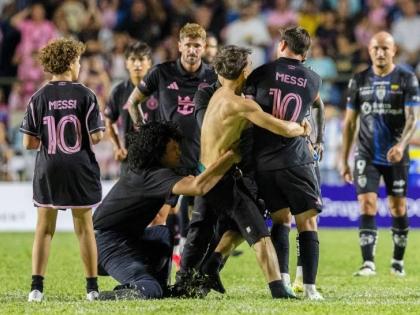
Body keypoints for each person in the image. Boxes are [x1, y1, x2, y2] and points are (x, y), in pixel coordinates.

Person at [177, 45, 311, 299]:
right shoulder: (240, 105)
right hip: (223, 179)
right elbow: (281, 128)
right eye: (249, 65)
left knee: (202, 232)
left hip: (206, 173)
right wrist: (302, 128)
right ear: (244, 71)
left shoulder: (216, 95)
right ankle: (278, 291)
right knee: (261, 236)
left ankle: (194, 280)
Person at [93, 121, 240, 300]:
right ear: (159, 152)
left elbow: (192, 181)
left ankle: (160, 287)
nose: (179, 152)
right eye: (174, 149)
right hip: (106, 243)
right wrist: (231, 155)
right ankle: (108, 296)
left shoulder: (151, 172)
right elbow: (198, 187)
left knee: (161, 233)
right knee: (149, 288)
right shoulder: (154, 176)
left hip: (124, 239)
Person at [19, 38, 105, 302]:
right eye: (78, 61)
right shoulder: (86, 94)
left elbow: (28, 142)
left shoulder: (39, 96)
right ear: (70, 63)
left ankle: (36, 288)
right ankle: (92, 288)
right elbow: (97, 137)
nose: (79, 65)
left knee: (44, 228)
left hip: (49, 168)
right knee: (84, 227)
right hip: (79, 167)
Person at [126, 22, 218, 264]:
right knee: (159, 215)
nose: (192, 50)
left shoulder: (213, 76)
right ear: (179, 46)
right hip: (168, 158)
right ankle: (153, 266)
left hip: (201, 157)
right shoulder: (161, 72)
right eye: (188, 45)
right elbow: (132, 102)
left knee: (204, 217)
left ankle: (192, 270)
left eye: (197, 45)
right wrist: (143, 132)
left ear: (204, 47)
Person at [244, 26, 325, 300]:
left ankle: (285, 281)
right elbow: (318, 106)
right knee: (307, 224)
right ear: (306, 52)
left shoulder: (261, 73)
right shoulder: (313, 79)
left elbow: (247, 112)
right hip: (296, 160)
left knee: (280, 221)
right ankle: (311, 288)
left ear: (282, 45)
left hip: (265, 162)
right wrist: (319, 138)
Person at [341, 31, 419, 277]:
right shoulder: (359, 79)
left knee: (397, 207)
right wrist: (344, 159)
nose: (380, 52)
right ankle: (368, 263)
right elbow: (350, 123)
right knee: (367, 203)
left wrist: (401, 145)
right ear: (369, 50)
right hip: (365, 153)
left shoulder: (407, 78)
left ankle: (397, 261)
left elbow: (413, 119)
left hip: (396, 154)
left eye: (385, 48)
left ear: (394, 50)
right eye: (376, 48)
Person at [104, 41, 158, 176]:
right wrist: (117, 147)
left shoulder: (159, 90)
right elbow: (109, 120)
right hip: (129, 160)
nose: (137, 64)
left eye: (141, 59)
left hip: (156, 160)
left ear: (150, 62)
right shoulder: (119, 91)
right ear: (126, 63)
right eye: (133, 60)